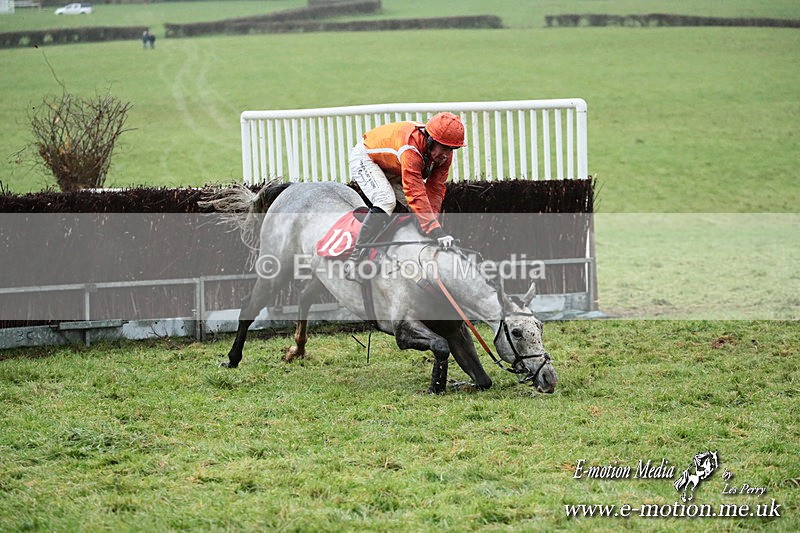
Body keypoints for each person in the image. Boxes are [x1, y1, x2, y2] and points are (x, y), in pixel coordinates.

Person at [345, 112, 467, 279]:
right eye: (444, 147)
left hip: (393, 164)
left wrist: (432, 225)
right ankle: (355, 257)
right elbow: (415, 191)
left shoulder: (444, 155)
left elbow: (435, 189)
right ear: (430, 140)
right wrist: (434, 230)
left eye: (452, 149)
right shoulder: (411, 147)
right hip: (367, 158)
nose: (446, 154)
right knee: (386, 201)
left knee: (420, 212)